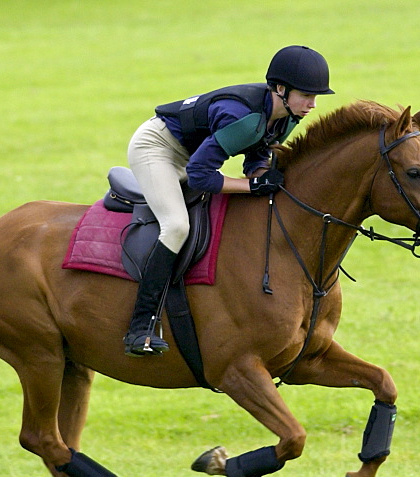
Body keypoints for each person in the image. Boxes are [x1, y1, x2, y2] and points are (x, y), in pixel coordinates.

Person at [122, 45, 334, 357]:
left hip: (193, 153)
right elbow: (199, 176)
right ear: (280, 89)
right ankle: (141, 327)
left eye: (316, 97)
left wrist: (262, 173)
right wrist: (252, 184)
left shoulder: (288, 114)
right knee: (177, 226)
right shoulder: (244, 118)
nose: (313, 105)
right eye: (307, 95)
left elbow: (258, 154)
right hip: (157, 148)